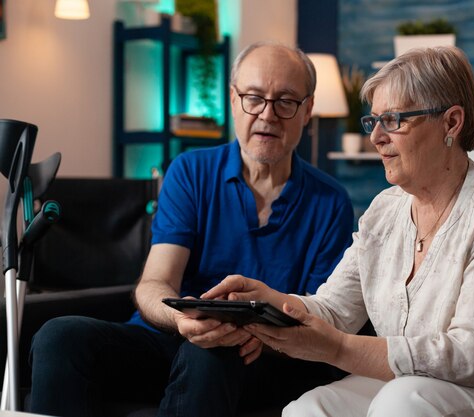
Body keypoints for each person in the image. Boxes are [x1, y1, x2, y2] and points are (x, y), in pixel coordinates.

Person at [203, 46, 474, 417]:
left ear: (451, 122)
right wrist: (270, 303)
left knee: (404, 402)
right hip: (418, 384)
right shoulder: (384, 210)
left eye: (394, 120)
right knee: (310, 408)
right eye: (374, 121)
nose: (376, 138)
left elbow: (473, 355)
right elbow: (336, 309)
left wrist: (337, 349)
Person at [29, 41, 354, 417]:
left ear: (308, 109)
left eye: (285, 101)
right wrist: (182, 321)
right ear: (233, 100)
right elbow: (154, 283)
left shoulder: (330, 201)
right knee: (59, 336)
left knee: (213, 351)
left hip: (260, 360)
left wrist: (258, 337)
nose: (267, 115)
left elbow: (322, 319)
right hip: (168, 339)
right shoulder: (190, 172)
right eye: (253, 97)